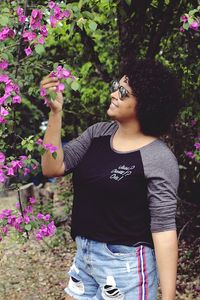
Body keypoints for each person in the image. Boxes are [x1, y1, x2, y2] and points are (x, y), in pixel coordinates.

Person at [40, 59, 181, 300]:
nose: (114, 93)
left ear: (145, 104)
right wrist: (56, 113)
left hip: (125, 267)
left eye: (124, 91)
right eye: (117, 86)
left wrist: (168, 297)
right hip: (84, 258)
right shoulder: (97, 134)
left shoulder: (158, 157)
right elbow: (52, 167)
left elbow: (164, 229)